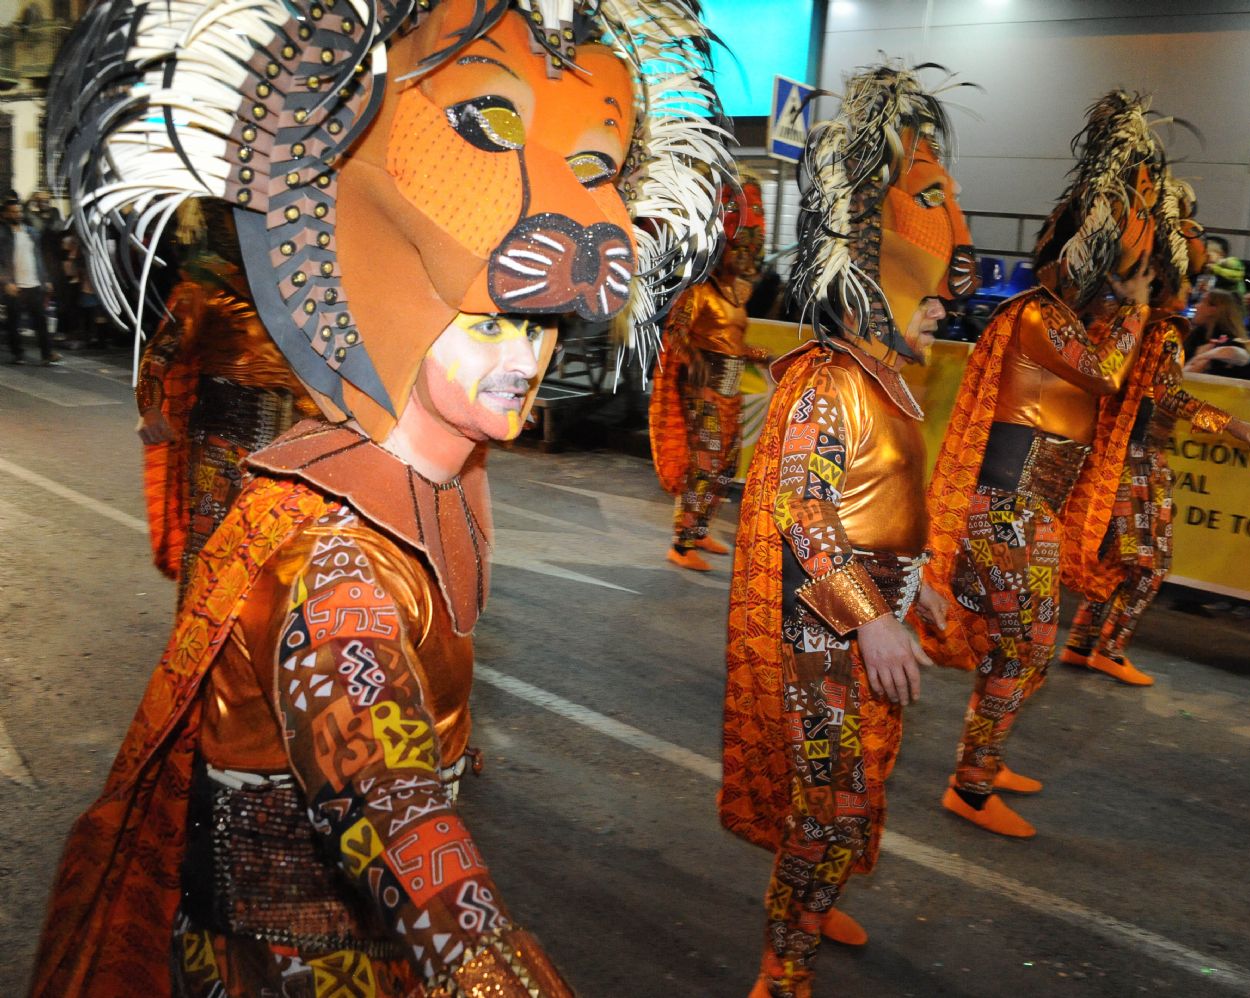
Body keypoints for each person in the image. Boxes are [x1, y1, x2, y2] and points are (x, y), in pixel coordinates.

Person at [30, 2, 732, 995]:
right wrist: (493, 971)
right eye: (490, 327)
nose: (524, 361)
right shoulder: (341, 561)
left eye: (535, 333)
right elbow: (392, 804)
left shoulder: (435, 491)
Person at [718, 62, 976, 998]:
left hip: (865, 623)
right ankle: (781, 968)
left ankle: (814, 903)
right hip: (819, 641)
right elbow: (805, 512)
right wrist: (871, 617)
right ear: (879, 283)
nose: (947, 305)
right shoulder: (827, 381)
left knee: (856, 790)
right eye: (933, 294)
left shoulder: (888, 381)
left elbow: (886, 511)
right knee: (826, 806)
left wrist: (920, 590)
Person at [917, 91, 1169, 840]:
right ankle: (970, 782)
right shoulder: (1033, 317)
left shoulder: (1063, 319)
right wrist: (1135, 305)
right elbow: (1107, 373)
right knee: (1024, 643)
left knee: (1026, 648)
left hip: (1035, 512)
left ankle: (980, 763)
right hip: (1006, 507)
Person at [1059, 178, 1250, 686]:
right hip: (1136, 459)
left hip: (1113, 455)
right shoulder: (1162, 330)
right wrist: (1232, 424)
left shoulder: (1121, 321)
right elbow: (1168, 397)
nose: (1198, 290)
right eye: (1192, 281)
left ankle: (1082, 643)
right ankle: (1108, 648)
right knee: (1152, 564)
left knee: (1117, 557)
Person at [135, 204, 323, 599]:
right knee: (211, 553)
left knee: (274, 554)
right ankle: (196, 649)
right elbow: (156, 358)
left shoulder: (290, 290)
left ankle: (248, 650)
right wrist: (149, 409)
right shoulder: (203, 287)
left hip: (281, 448)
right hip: (221, 444)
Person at [651, 170, 771, 571]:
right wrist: (696, 363)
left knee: (728, 464)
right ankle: (681, 545)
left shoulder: (737, 296)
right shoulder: (699, 292)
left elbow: (729, 341)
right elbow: (677, 336)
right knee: (705, 463)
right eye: (739, 250)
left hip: (730, 387)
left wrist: (756, 354)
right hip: (702, 389)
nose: (745, 258)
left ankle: (700, 528)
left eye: (749, 252)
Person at [2, 195, 57, 364]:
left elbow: (38, 258)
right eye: (12, 212)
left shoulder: (31, 232)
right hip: (14, 285)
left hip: (33, 283)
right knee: (14, 322)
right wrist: (6, 282)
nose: (16, 214)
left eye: (18, 211)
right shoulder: (3, 234)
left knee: (41, 320)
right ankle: (18, 354)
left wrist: (45, 279)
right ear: (5, 214)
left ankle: (47, 354)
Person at [1185, 288, 1250, 380]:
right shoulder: (1196, 335)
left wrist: (1204, 355)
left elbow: (1241, 356)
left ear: (1213, 309)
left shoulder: (1230, 340)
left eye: (1202, 301)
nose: (1196, 306)